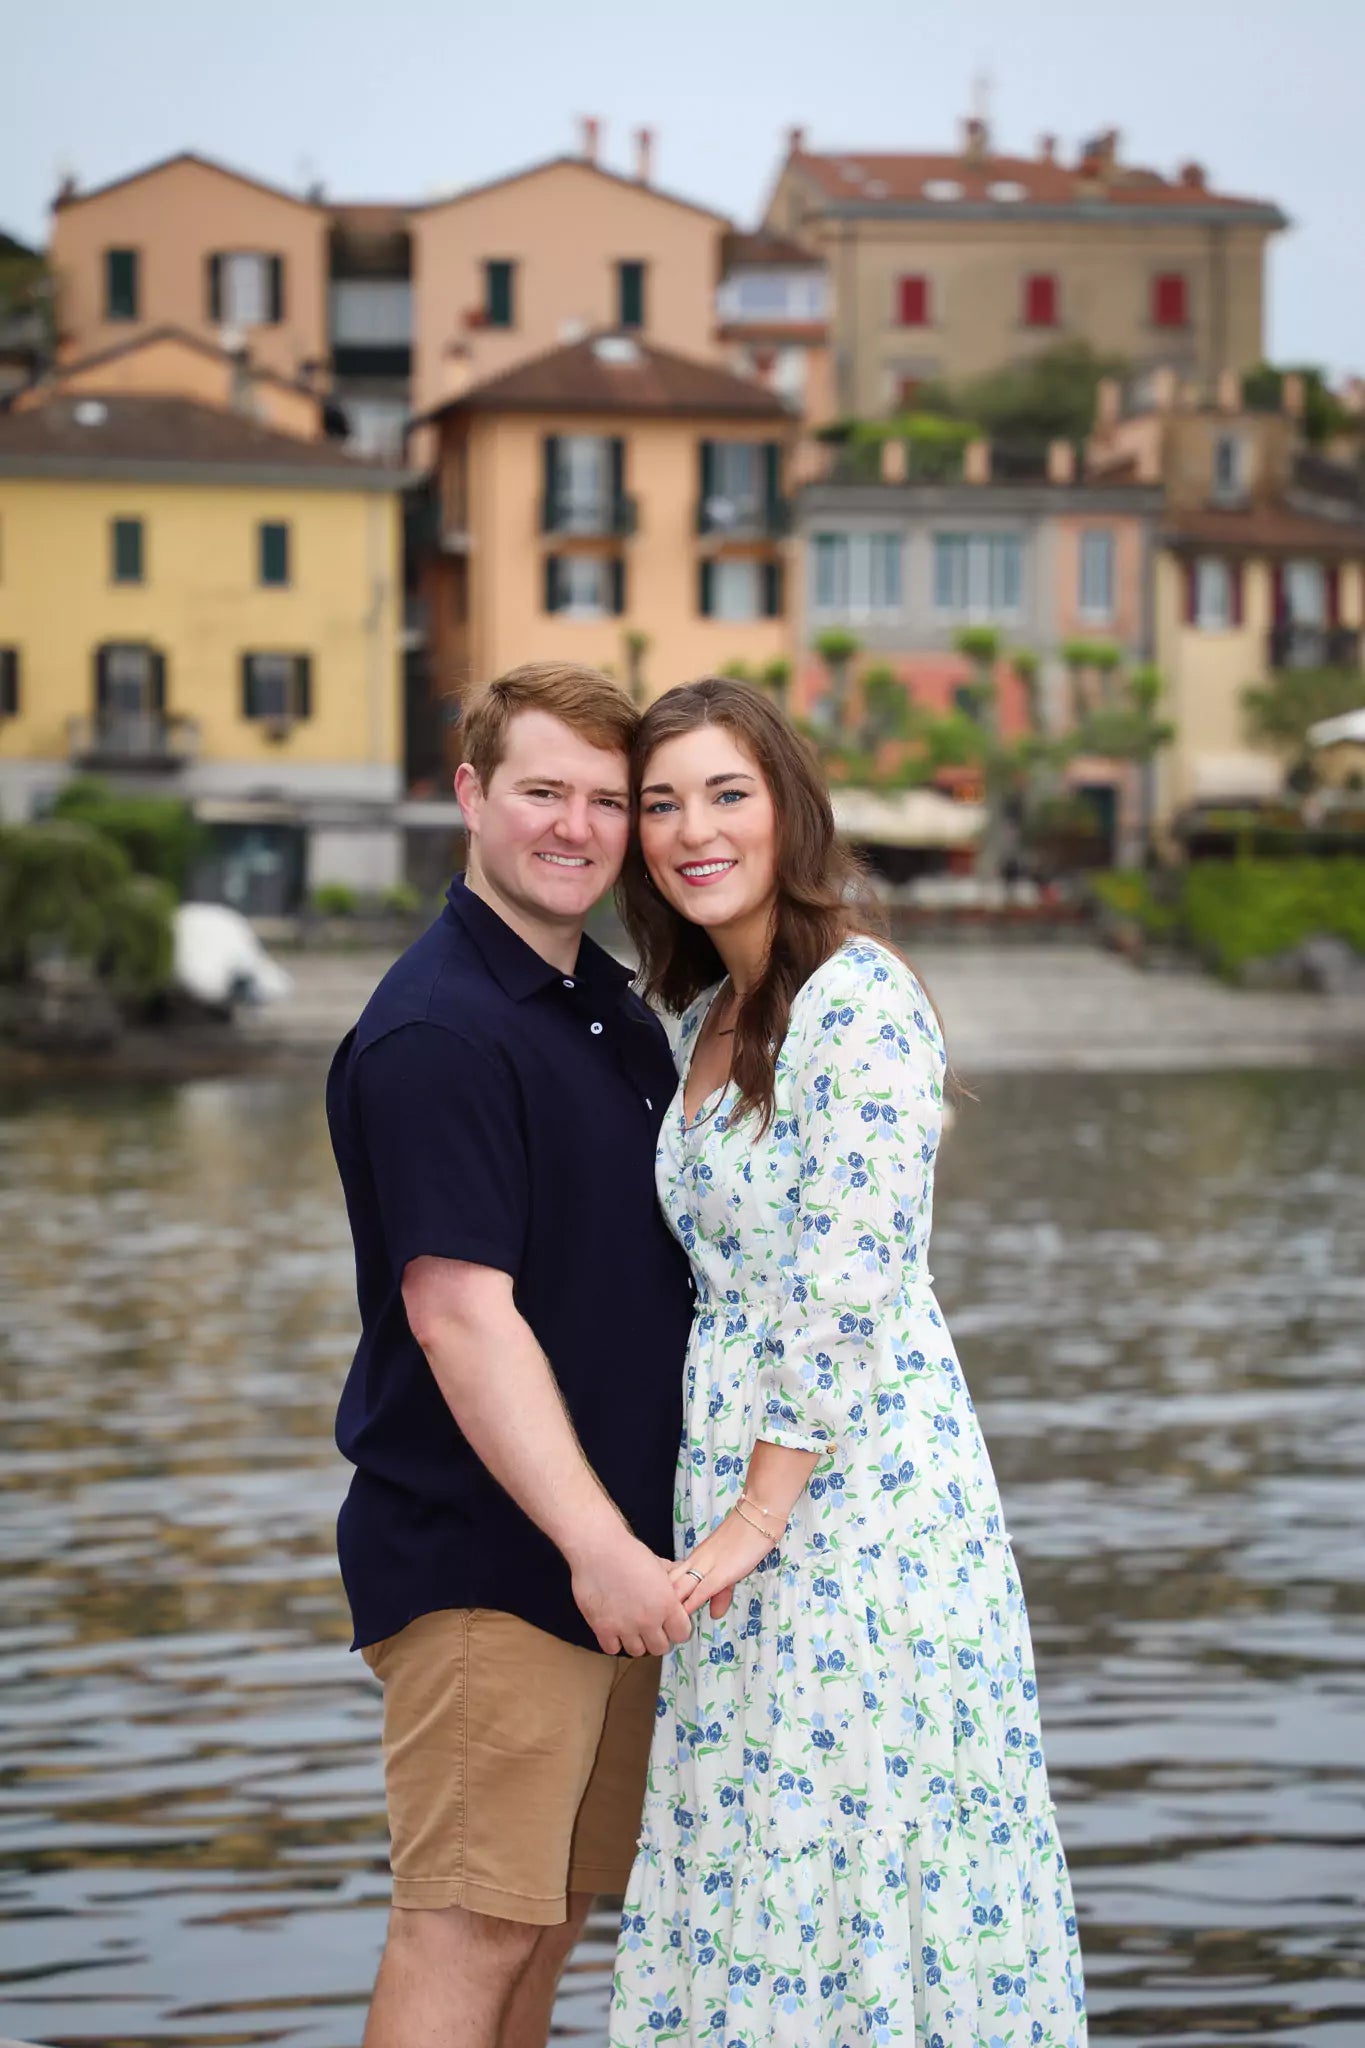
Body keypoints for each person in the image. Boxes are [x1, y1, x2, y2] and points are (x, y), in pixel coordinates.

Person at [609, 678, 1086, 2047]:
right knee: (753, 1838)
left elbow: (844, 1286)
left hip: (853, 1500)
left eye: (725, 794)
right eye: (660, 803)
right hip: (732, 1495)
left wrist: (759, 1517)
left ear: (787, 810)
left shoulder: (856, 1000)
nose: (690, 830)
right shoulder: (699, 1018)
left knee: (861, 1834)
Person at [326, 661, 695, 2048]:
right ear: (470, 795)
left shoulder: (602, 1008)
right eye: (544, 789)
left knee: (544, 1921)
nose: (578, 826)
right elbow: (457, 1312)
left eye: (610, 800)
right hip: (495, 1559)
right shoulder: (439, 1029)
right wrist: (595, 1545)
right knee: (469, 1922)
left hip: (610, 1560)